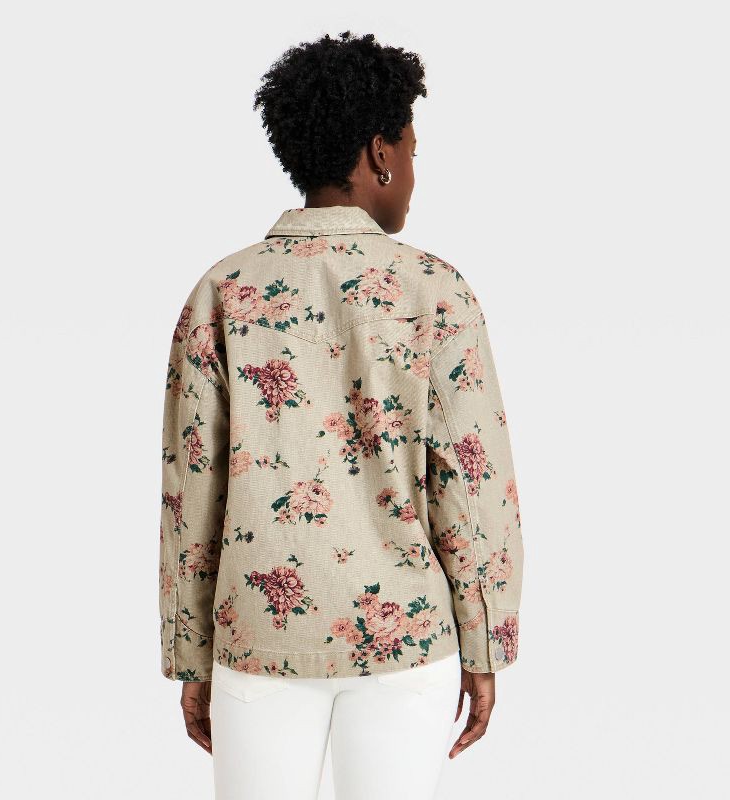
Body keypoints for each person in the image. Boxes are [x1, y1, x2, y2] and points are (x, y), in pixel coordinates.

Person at [158, 30, 524, 800]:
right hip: (407, 640)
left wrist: (191, 655)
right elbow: (471, 481)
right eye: (411, 149)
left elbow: (192, 492)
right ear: (378, 154)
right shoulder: (435, 290)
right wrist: (485, 642)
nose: (414, 171)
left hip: (260, 639)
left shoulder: (222, 292)